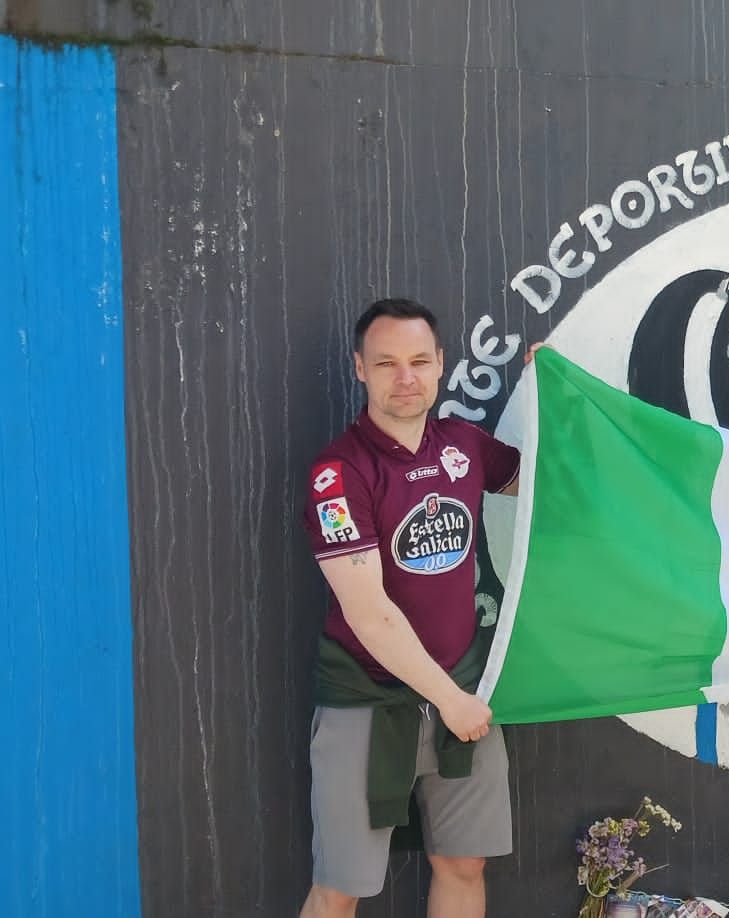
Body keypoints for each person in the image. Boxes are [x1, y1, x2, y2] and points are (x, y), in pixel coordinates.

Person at [297, 298, 525, 918]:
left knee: (463, 863)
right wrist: (450, 701)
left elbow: (541, 485)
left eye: (420, 361)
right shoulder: (338, 475)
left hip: (463, 691)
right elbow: (371, 616)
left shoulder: (464, 446)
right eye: (388, 362)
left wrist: (552, 399)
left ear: (441, 364)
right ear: (360, 368)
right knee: (342, 886)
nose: (406, 377)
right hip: (370, 703)